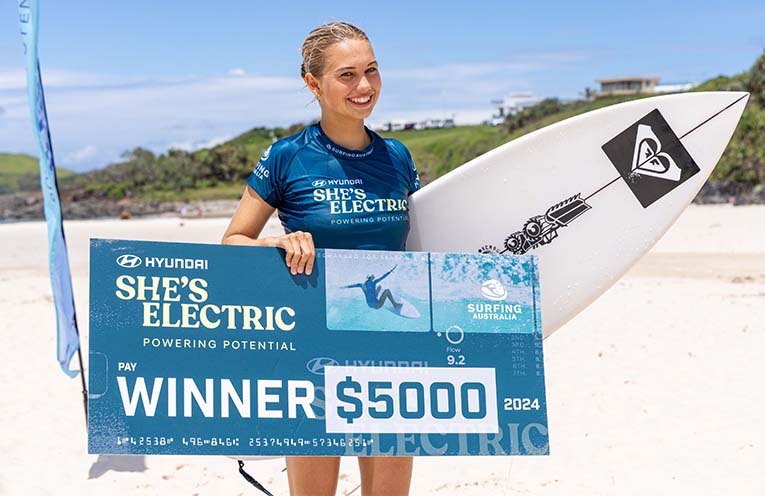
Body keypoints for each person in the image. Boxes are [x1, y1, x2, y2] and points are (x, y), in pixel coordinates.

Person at [222, 21, 420, 496]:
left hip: (391, 346)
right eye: (347, 75)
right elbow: (233, 241)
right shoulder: (287, 156)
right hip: (310, 347)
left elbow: (422, 249)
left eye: (371, 70)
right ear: (313, 83)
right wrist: (276, 245)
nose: (364, 85)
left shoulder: (397, 156)